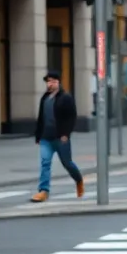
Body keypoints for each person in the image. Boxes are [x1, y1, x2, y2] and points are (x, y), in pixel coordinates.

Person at [31, 71, 85, 202]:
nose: (50, 84)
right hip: (46, 138)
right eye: (48, 81)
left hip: (61, 138)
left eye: (53, 81)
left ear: (58, 82)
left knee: (67, 163)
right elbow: (41, 118)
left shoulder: (65, 97)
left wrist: (66, 134)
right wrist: (38, 136)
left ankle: (78, 180)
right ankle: (43, 191)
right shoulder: (45, 98)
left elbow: (71, 117)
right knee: (45, 163)